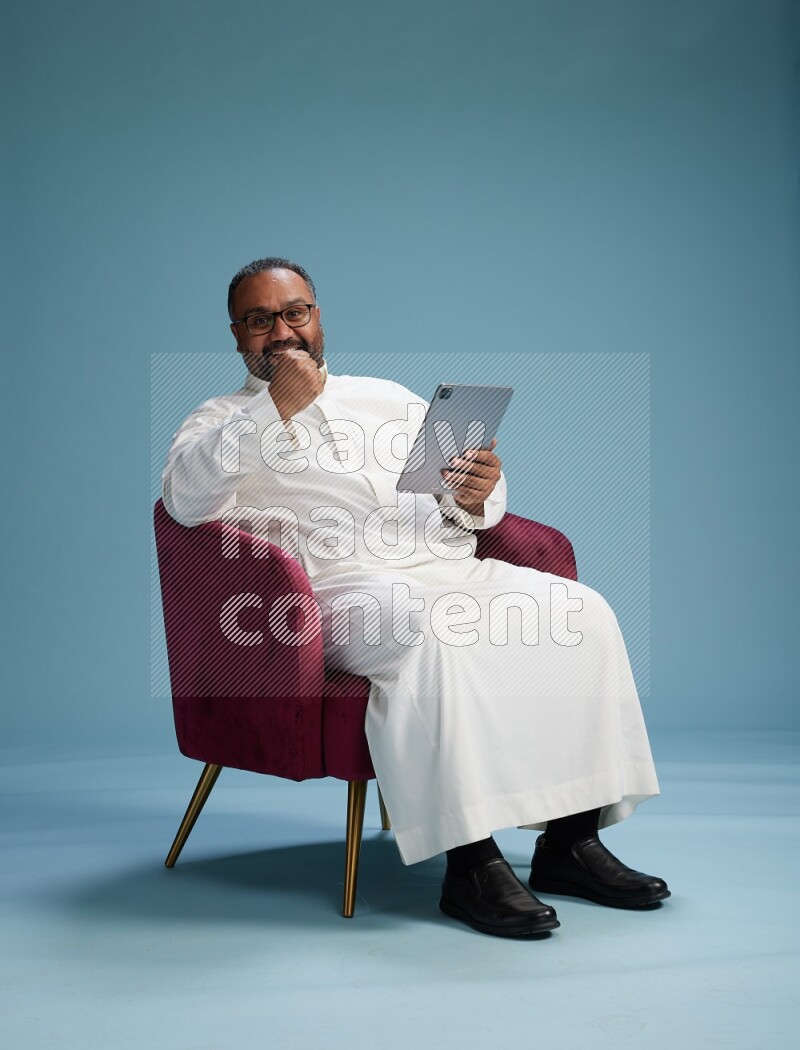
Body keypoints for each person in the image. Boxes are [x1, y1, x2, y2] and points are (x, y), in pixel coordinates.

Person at [162, 256, 670, 938]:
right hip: (335, 594)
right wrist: (272, 408)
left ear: (317, 319)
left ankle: (572, 842)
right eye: (259, 320)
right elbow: (184, 501)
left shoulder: (388, 398)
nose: (281, 332)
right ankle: (471, 864)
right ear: (236, 335)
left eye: (294, 313)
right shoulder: (219, 419)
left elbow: (470, 504)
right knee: (438, 633)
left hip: (445, 563)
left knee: (582, 613)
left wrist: (476, 495)